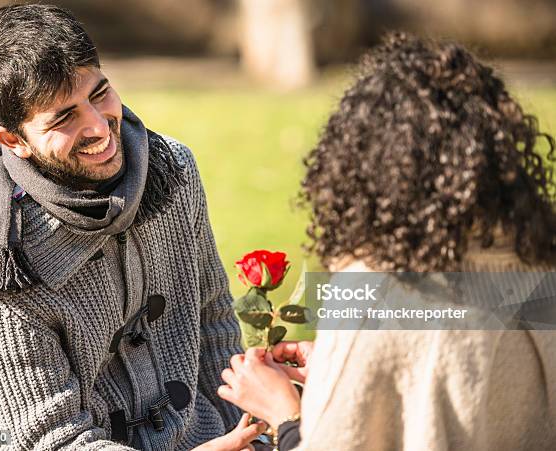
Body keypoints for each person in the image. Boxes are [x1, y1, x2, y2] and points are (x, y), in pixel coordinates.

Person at [218, 32, 556, 450]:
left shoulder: (373, 296)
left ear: (360, 163)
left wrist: (285, 413)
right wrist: (337, 370)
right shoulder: (539, 265)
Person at [0, 4, 262, 450]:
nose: (98, 127)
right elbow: (57, 442)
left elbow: (212, 318)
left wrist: (245, 432)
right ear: (13, 141)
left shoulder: (172, 168)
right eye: (63, 118)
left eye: (99, 94)